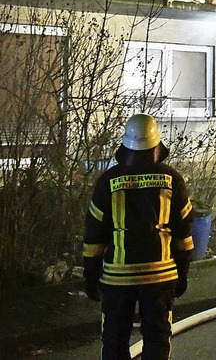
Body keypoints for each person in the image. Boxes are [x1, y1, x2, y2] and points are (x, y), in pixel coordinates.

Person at [83, 113, 194, 359]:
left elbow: (94, 235)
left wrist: (90, 275)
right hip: (160, 276)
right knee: (157, 340)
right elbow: (184, 232)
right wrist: (183, 271)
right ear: (156, 146)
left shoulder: (108, 181)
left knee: (114, 340)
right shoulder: (172, 179)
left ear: (125, 145)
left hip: (117, 278)